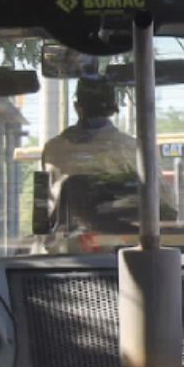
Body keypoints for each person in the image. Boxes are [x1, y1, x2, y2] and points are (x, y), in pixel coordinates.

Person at [36, 75, 146, 242]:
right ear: (113, 109)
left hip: (64, 252)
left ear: (77, 107)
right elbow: (165, 208)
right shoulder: (132, 148)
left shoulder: (52, 149)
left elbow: (41, 211)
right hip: (123, 250)